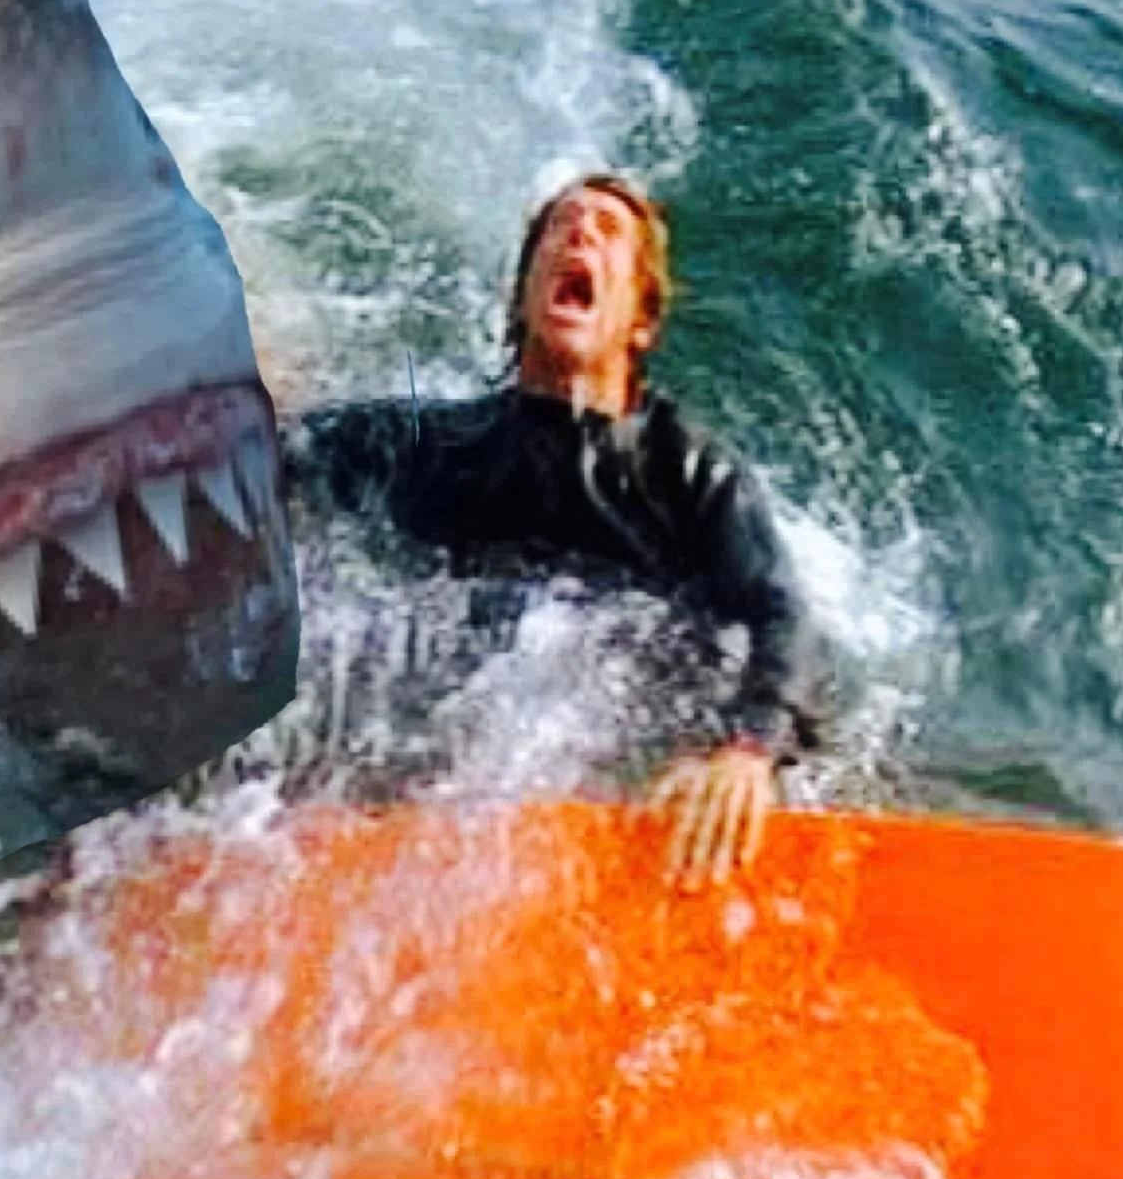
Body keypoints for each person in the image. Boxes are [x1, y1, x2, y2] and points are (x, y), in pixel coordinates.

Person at [281, 172, 828, 891]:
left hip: (637, 740)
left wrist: (749, 747)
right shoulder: (443, 449)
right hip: (443, 749)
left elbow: (782, 613)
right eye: (561, 227)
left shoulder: (688, 474)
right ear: (523, 300)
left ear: (640, 322)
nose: (579, 234)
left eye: (607, 232)